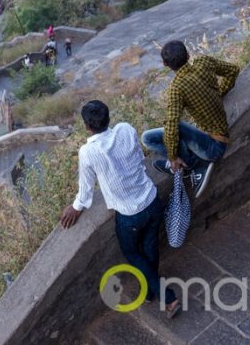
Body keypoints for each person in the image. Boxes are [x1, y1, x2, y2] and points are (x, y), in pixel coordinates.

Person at [60, 101, 181, 318]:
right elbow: (137, 155)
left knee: (133, 253)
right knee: (150, 246)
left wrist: (76, 207)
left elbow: (86, 190)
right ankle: (151, 290)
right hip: (151, 199)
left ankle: (167, 297)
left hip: (129, 214)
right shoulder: (125, 129)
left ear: (87, 126)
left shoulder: (88, 151)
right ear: (108, 118)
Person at [142, 40, 239, 198]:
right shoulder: (204, 62)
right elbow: (233, 70)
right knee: (157, 134)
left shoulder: (177, 88)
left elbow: (172, 128)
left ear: (165, 64)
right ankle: (185, 163)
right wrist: (219, 92)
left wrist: (173, 157)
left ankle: (194, 165)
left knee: (157, 135)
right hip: (213, 136)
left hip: (213, 148)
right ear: (187, 54)